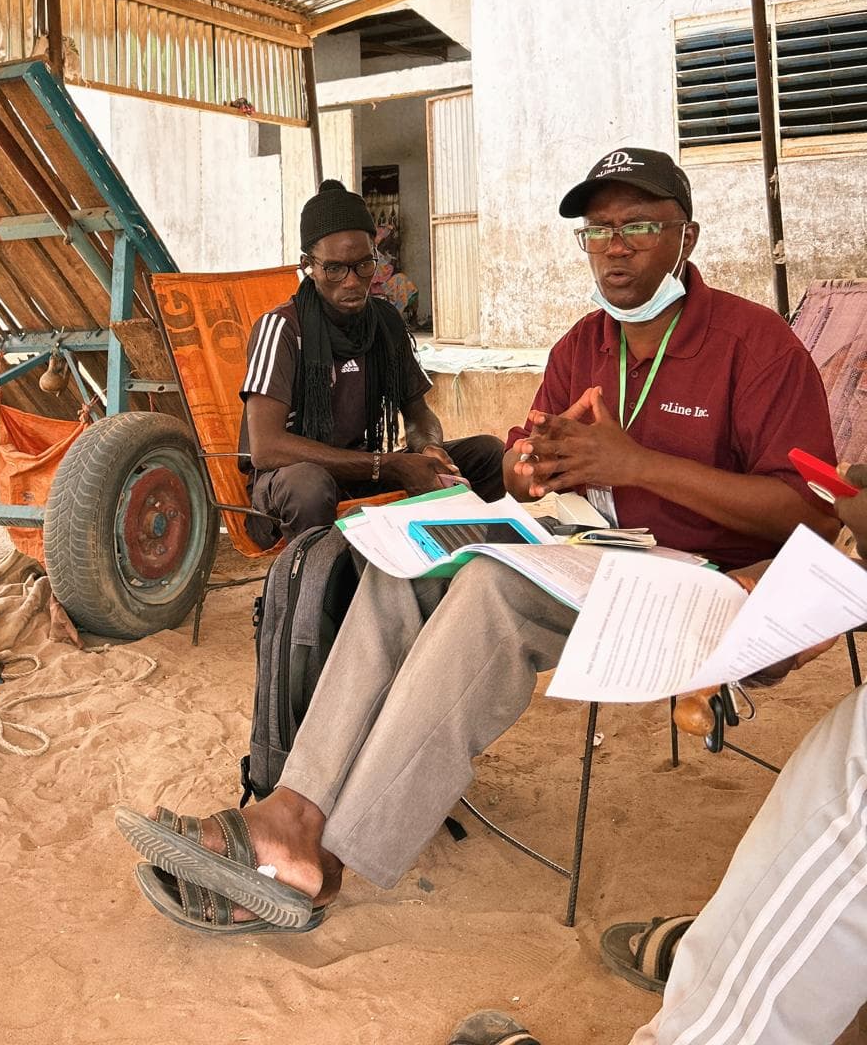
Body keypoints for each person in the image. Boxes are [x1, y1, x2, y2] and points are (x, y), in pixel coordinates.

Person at [116, 147, 839, 933]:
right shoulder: (581, 347)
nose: (616, 246)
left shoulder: (757, 345)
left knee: (491, 589)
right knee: (408, 569)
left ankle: (331, 851)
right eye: (597, 230)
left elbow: (812, 516)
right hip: (603, 555)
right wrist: (530, 472)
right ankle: (292, 813)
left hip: (713, 583)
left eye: (639, 225)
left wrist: (636, 463)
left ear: (687, 237)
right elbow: (530, 466)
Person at [449, 462, 867, 1045]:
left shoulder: (768, 371)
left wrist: (626, 456)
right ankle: (740, 944)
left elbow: (804, 513)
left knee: (858, 773)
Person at [240, 177, 503, 550]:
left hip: (362, 469)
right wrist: (386, 465)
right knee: (310, 484)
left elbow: (417, 412)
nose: (351, 281)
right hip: (287, 482)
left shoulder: (384, 323)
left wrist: (429, 449)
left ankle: (467, 571)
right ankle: (318, 595)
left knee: (488, 455)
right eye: (334, 269)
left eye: (363, 265)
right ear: (308, 267)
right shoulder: (282, 328)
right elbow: (266, 447)